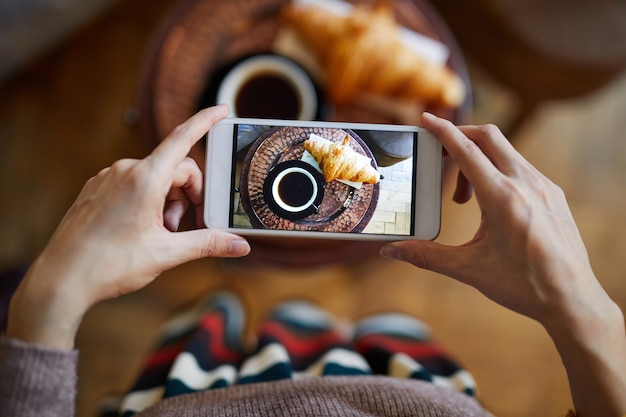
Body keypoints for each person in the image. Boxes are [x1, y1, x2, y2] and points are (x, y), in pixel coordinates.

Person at [0, 105, 624, 417]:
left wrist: (47, 305)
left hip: (190, 385)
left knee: (210, 319)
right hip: (405, 377)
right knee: (386, 332)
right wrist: (586, 314)